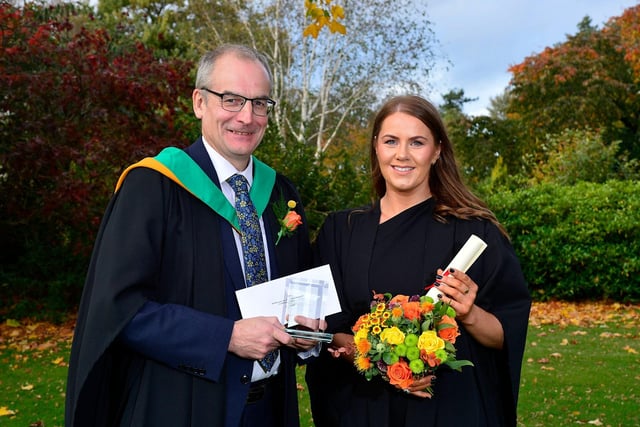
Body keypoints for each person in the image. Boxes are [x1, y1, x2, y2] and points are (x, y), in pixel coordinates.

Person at [65, 44, 319, 427]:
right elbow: (119, 309)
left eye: (260, 103)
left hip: (269, 411)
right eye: (231, 100)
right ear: (199, 102)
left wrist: (306, 332)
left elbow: (294, 294)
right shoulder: (153, 187)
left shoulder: (281, 194)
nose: (247, 117)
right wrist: (226, 337)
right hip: (179, 405)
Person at [305, 95, 531, 427]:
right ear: (376, 148)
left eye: (417, 142)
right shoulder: (341, 232)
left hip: (449, 411)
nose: (402, 154)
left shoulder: (473, 234)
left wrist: (469, 312)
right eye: (391, 141)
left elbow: (505, 333)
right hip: (363, 411)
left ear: (437, 151)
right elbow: (328, 332)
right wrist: (383, 362)